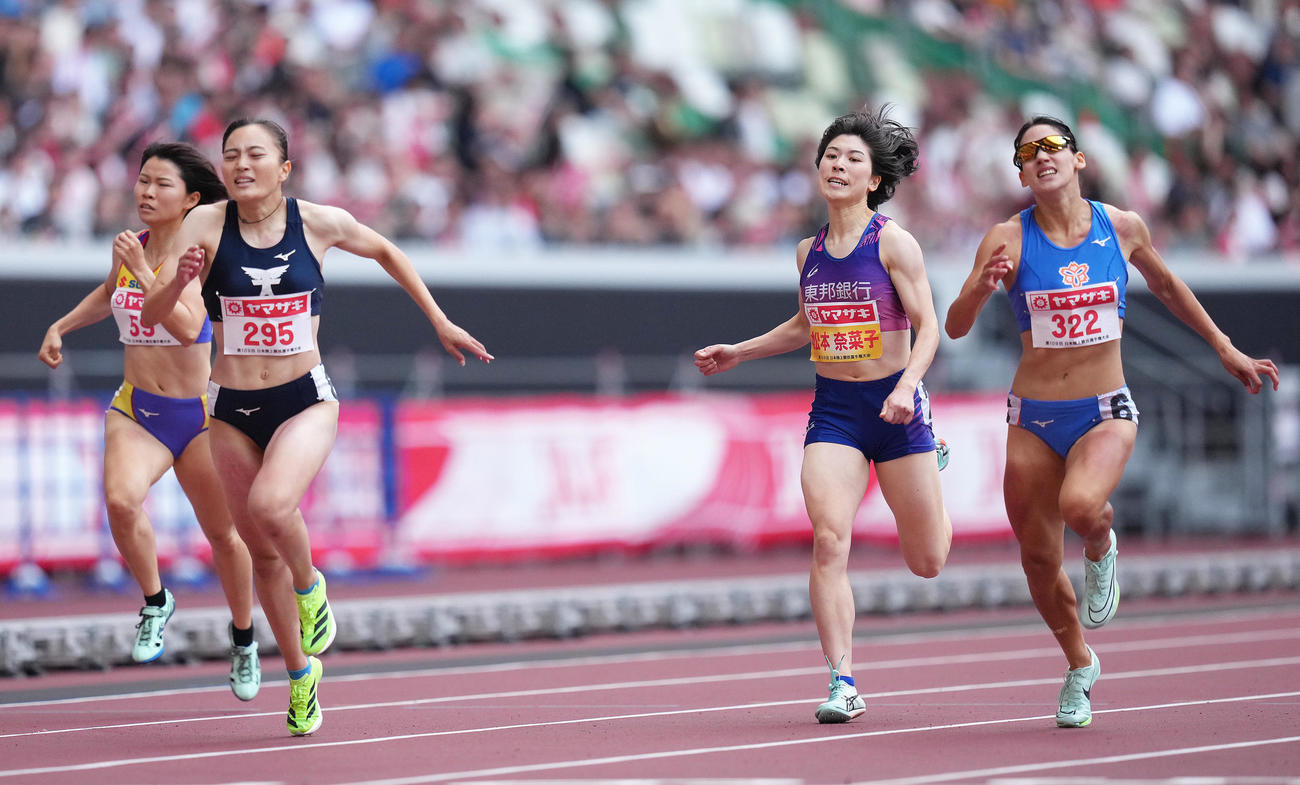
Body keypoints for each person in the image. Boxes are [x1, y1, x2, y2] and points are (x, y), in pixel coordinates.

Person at [141, 118, 493, 736]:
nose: (240, 165)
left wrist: (439, 321)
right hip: (228, 407)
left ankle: (313, 588)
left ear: (284, 168)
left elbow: (387, 250)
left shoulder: (319, 222)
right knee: (261, 557)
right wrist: (176, 279)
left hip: (304, 397)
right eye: (230, 156)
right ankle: (302, 677)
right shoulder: (203, 225)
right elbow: (155, 313)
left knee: (272, 507)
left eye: (255, 154)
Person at [944, 116, 1280, 728]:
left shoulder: (1121, 227)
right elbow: (956, 325)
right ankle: (1079, 665)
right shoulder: (1005, 239)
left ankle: (1101, 543)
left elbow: (1169, 286)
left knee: (1081, 506)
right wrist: (981, 289)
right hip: (1032, 418)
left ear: (1078, 159)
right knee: (1038, 559)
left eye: (1053, 147)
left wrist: (1224, 346)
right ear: (1020, 171)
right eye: (1028, 151)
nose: (1041, 157)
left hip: (1104, 408)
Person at [694, 108, 952, 724]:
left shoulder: (892, 242)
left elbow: (929, 326)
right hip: (836, 411)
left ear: (873, 179)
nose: (837, 165)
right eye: (830, 155)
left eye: (852, 159)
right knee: (830, 540)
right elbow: (807, 324)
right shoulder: (809, 250)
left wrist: (910, 386)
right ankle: (843, 680)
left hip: (896, 406)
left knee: (928, 561)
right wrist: (740, 351)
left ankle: (932, 453)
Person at [38, 142, 261, 700]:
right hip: (138, 407)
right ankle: (157, 601)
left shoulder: (205, 258)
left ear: (191, 199)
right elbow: (111, 292)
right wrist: (61, 326)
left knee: (224, 536)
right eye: (142, 181)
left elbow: (188, 327)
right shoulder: (131, 246)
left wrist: (142, 271)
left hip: (202, 417)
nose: (145, 192)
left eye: (160, 184)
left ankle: (243, 639)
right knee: (119, 501)